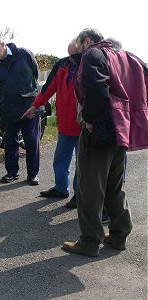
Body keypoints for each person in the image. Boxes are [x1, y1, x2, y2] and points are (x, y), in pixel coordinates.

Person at [62, 28, 148, 257]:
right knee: (113, 185)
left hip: (100, 129)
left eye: (79, 47)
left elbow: (97, 90)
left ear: (87, 41)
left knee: (89, 188)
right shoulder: (125, 56)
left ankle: (90, 242)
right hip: (122, 128)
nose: (78, 54)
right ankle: (119, 235)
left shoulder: (93, 55)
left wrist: (89, 119)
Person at [22, 39, 81, 208]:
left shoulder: (89, 66)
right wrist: (34, 106)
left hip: (82, 126)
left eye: (74, 55)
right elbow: (48, 88)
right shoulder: (63, 64)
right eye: (69, 54)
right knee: (60, 160)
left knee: (81, 165)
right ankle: (61, 189)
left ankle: (79, 195)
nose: (71, 58)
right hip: (65, 125)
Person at [0, 34, 40, 185]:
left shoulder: (24, 54)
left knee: (31, 141)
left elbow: (35, 73)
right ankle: (11, 172)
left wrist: (32, 96)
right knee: (10, 141)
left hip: (29, 103)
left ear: (2, 44)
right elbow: (5, 82)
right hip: (9, 105)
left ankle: (33, 174)